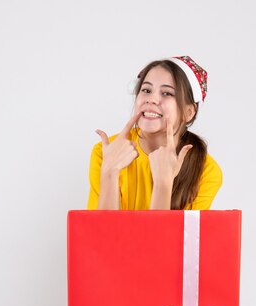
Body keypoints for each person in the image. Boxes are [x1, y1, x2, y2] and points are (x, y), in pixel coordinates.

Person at [87, 56, 222, 210]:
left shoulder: (206, 171)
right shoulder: (105, 152)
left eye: (167, 93)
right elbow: (101, 233)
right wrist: (109, 172)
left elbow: (167, 235)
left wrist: (163, 183)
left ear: (188, 112)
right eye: (146, 90)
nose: (151, 99)